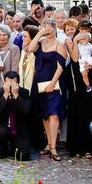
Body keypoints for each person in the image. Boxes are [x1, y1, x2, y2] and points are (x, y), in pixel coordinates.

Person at [30, 18, 67, 161]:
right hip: (39, 82)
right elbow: (30, 48)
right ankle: (48, 143)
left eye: (47, 26)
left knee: (54, 114)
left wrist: (53, 83)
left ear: (54, 28)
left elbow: (61, 66)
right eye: (43, 26)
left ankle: (53, 147)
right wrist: (39, 33)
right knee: (45, 114)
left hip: (54, 82)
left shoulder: (60, 44)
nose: (45, 28)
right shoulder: (40, 43)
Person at [67, 21, 92, 160]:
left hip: (90, 76)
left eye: (87, 30)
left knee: (89, 111)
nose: (84, 33)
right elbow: (74, 58)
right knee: (76, 112)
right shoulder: (70, 41)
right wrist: (75, 41)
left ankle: (89, 147)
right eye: (82, 30)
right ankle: (76, 147)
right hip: (76, 79)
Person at [0, 71, 32, 161]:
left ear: (18, 83)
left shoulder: (24, 92)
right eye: (8, 83)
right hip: (3, 127)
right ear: (4, 83)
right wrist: (5, 94)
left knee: (24, 156)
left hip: (19, 128)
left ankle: (14, 147)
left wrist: (16, 94)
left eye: (13, 83)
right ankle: (3, 148)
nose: (10, 85)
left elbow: (26, 110)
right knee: (0, 132)